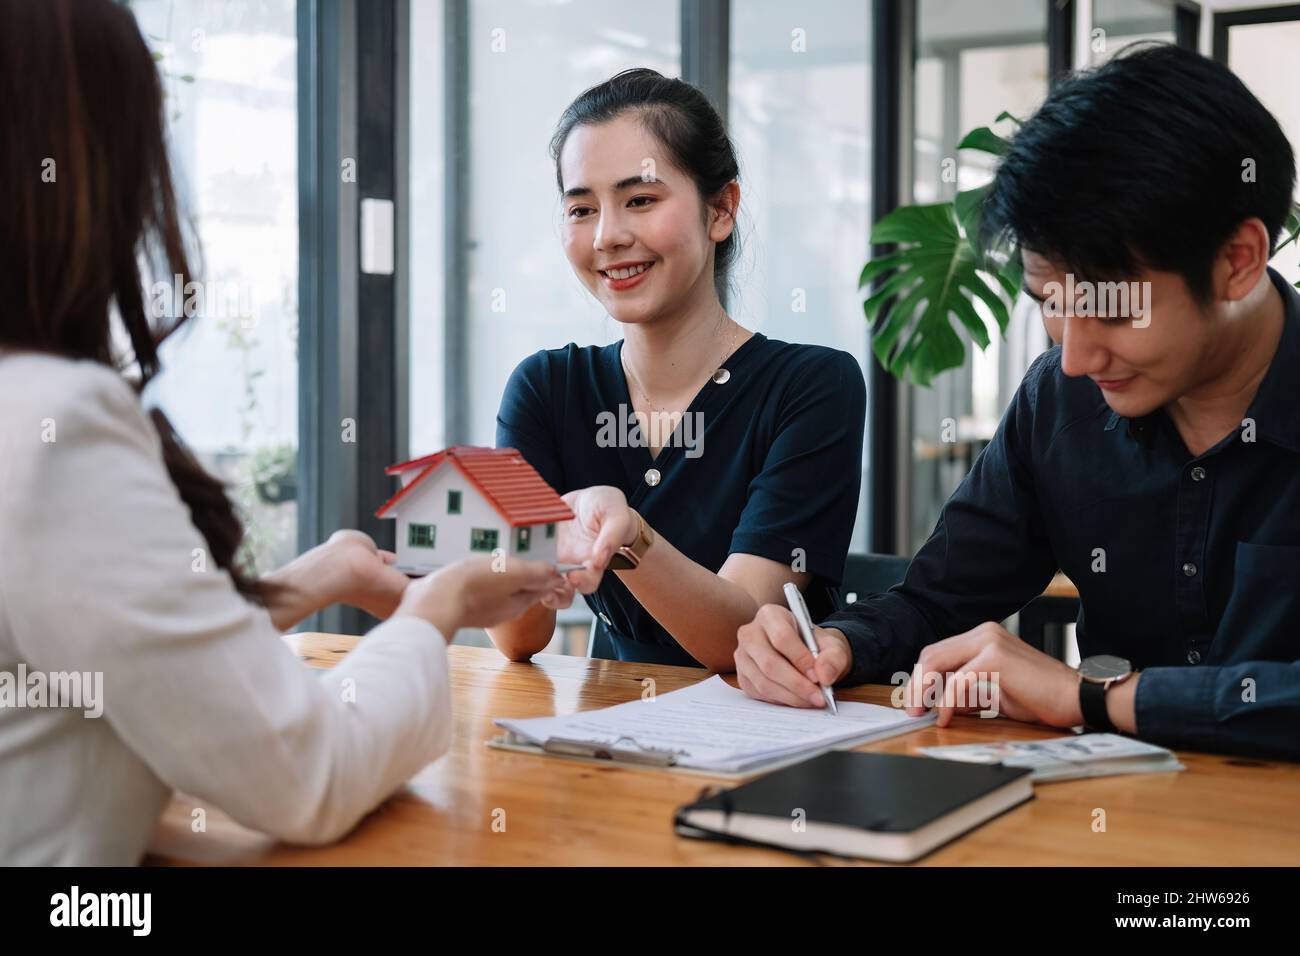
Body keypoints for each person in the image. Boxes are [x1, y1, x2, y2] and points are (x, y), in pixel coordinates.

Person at [0, 0, 563, 865]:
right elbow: (306, 771)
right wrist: (435, 606)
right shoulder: (53, 427)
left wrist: (307, 581)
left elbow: (99, 640)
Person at [735, 43, 1300, 761]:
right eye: (1051, 305)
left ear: (1237, 260)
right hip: (1113, 816)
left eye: (1114, 311)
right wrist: (836, 645)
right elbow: (941, 596)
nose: (1077, 357)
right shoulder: (1058, 403)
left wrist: (1089, 697)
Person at [491, 69, 866, 670]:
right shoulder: (544, 389)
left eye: (640, 200)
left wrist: (630, 537)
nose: (608, 236)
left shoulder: (812, 387)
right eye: (581, 208)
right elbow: (517, 639)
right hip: (604, 742)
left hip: (764, 737)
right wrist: (521, 547)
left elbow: (742, 642)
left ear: (721, 209)